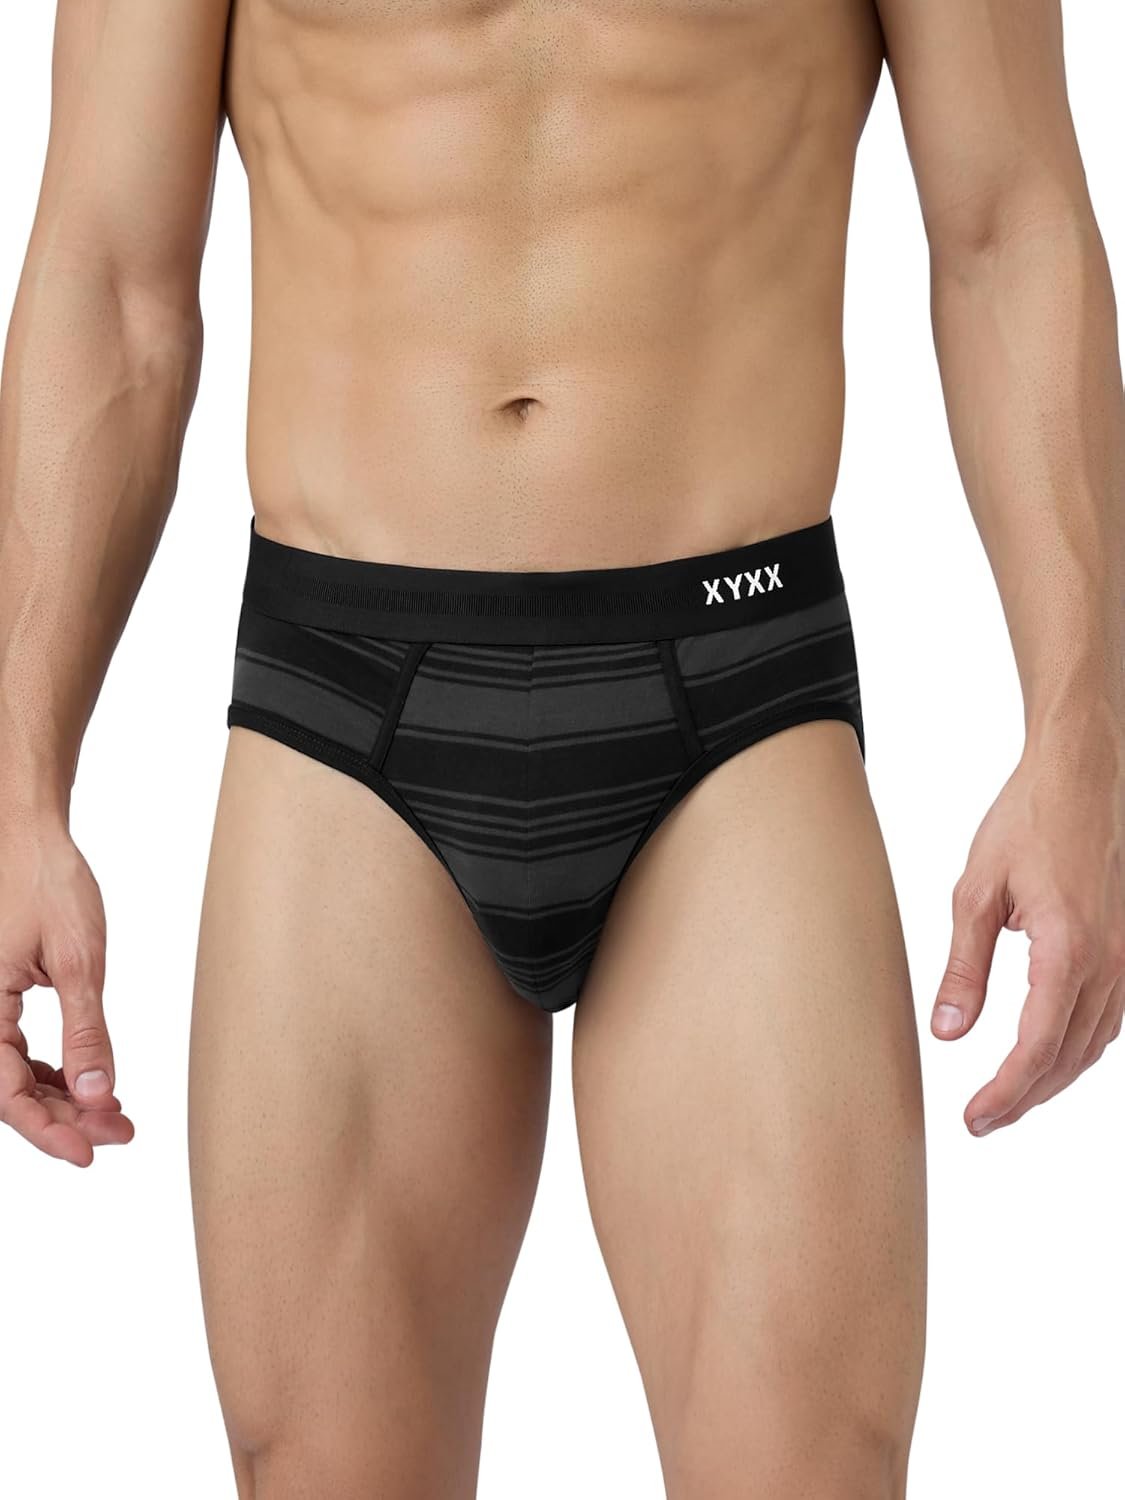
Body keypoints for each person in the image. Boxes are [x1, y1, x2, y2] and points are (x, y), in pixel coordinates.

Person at [1, 1, 1121, 1495]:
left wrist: (1082, 739)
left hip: (735, 696)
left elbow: (1006, 227)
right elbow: (111, 274)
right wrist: (18, 782)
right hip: (345, 708)